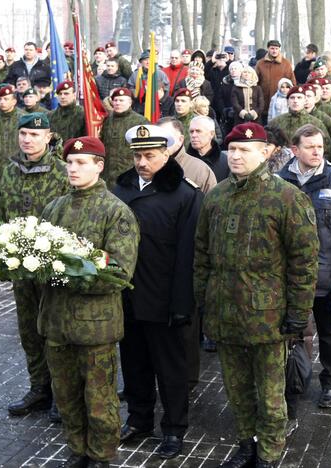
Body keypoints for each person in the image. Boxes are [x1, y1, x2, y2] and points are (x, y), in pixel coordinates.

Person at [194, 122, 319, 468]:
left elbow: (304, 262)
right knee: (236, 389)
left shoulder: (288, 198)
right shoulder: (216, 197)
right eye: (232, 149)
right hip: (225, 313)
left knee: (270, 392)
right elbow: (202, 253)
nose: (235, 155)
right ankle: (246, 443)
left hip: (268, 317)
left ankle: (269, 451)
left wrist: (298, 312)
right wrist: (203, 299)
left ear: (266, 153)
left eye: (245, 150)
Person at [39, 136, 139, 467]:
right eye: (69, 162)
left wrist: (63, 274)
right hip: (56, 321)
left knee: (99, 399)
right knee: (65, 395)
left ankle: (101, 454)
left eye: (81, 163)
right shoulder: (55, 207)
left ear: (99, 166)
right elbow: (37, 256)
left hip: (94, 324)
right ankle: (77, 448)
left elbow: (119, 272)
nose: (73, 168)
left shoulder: (116, 212)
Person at [112, 124, 202, 459]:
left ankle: (175, 429)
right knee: (133, 363)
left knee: (170, 370)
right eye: (137, 155)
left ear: (166, 154)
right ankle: (139, 420)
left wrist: (183, 304)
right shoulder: (120, 189)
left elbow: (188, 255)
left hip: (164, 299)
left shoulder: (185, 194)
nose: (142, 162)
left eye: (150, 155)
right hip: (126, 295)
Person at [0, 112, 70, 421]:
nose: (27, 139)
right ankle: (40, 388)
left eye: (35, 135)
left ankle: (62, 395)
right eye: (23, 133)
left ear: (49, 137)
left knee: (56, 331)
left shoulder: (63, 173)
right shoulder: (10, 171)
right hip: (21, 269)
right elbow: (0, 211)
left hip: (53, 269)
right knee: (29, 330)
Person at [277, 124, 331, 419]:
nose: (316, 152)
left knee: (328, 331)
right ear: (294, 150)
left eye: (320, 147)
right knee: (291, 333)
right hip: (287, 276)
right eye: (309, 147)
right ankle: (292, 384)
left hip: (323, 275)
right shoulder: (281, 180)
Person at [99, 87, 149, 187]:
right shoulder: (106, 120)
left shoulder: (140, 122)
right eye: (115, 100)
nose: (117, 103)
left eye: (121, 100)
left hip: (129, 176)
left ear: (130, 102)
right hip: (107, 177)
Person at [157, 117, 218, 193]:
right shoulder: (146, 166)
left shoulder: (201, 171)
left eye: (166, 137)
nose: (161, 142)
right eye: (157, 138)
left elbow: (212, 202)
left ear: (180, 140)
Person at [255, 40, 297, 109]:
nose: (274, 51)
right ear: (268, 49)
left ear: (279, 49)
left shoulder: (286, 63)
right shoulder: (260, 64)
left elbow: (292, 82)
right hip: (264, 100)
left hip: (281, 102)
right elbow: (255, 82)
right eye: (272, 48)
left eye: (276, 49)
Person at [187, 115, 229, 181]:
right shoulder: (184, 161)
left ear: (211, 134)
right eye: (191, 131)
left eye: (198, 131)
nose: (193, 135)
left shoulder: (226, 162)